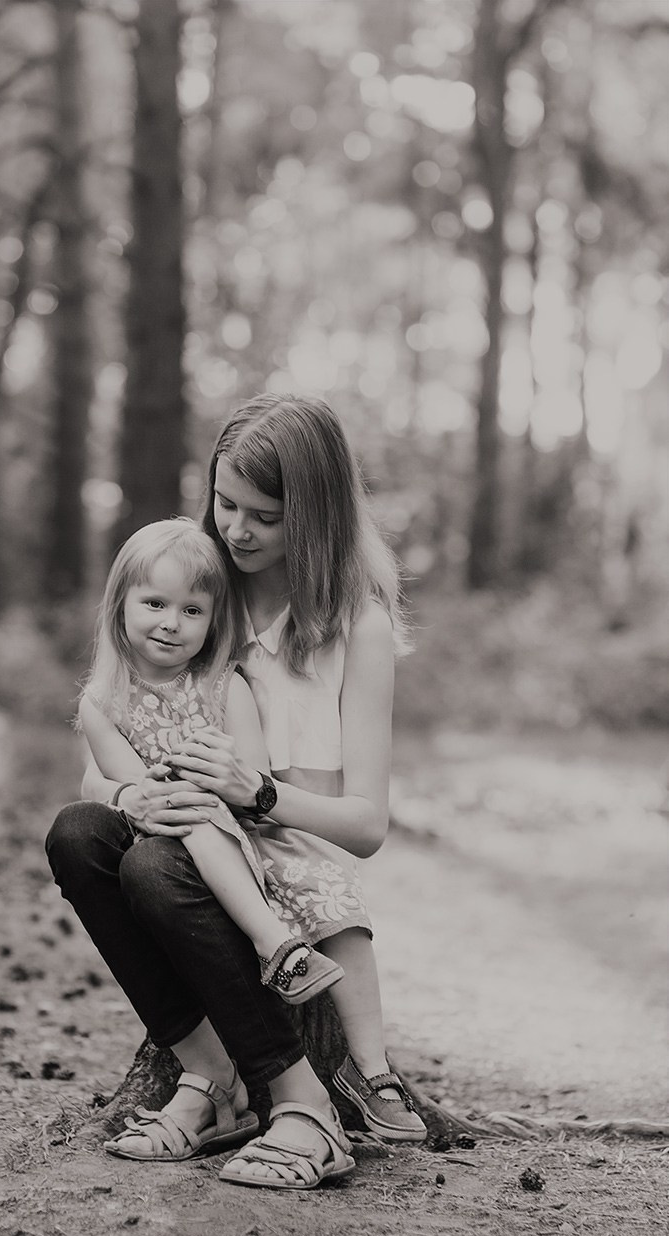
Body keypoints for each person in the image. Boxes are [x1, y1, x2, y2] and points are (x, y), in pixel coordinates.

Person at [46, 392, 423, 1190]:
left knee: (155, 868)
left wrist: (256, 792)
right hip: (182, 827)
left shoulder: (356, 624)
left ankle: (304, 1104)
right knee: (79, 831)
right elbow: (110, 739)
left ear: (314, 515)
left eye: (265, 515)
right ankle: (209, 1077)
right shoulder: (200, 584)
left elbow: (367, 825)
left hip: (279, 859)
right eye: (225, 503)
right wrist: (127, 800)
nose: (238, 529)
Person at [77, 516, 344, 1006]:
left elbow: (251, 780)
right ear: (120, 605)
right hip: (154, 843)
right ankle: (275, 945)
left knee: (197, 812)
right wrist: (163, 791)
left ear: (212, 622)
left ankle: (277, 947)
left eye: (192, 610)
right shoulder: (101, 703)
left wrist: (212, 786)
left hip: (231, 838)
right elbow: (135, 786)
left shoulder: (225, 685)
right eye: (154, 603)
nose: (171, 622)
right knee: (183, 807)